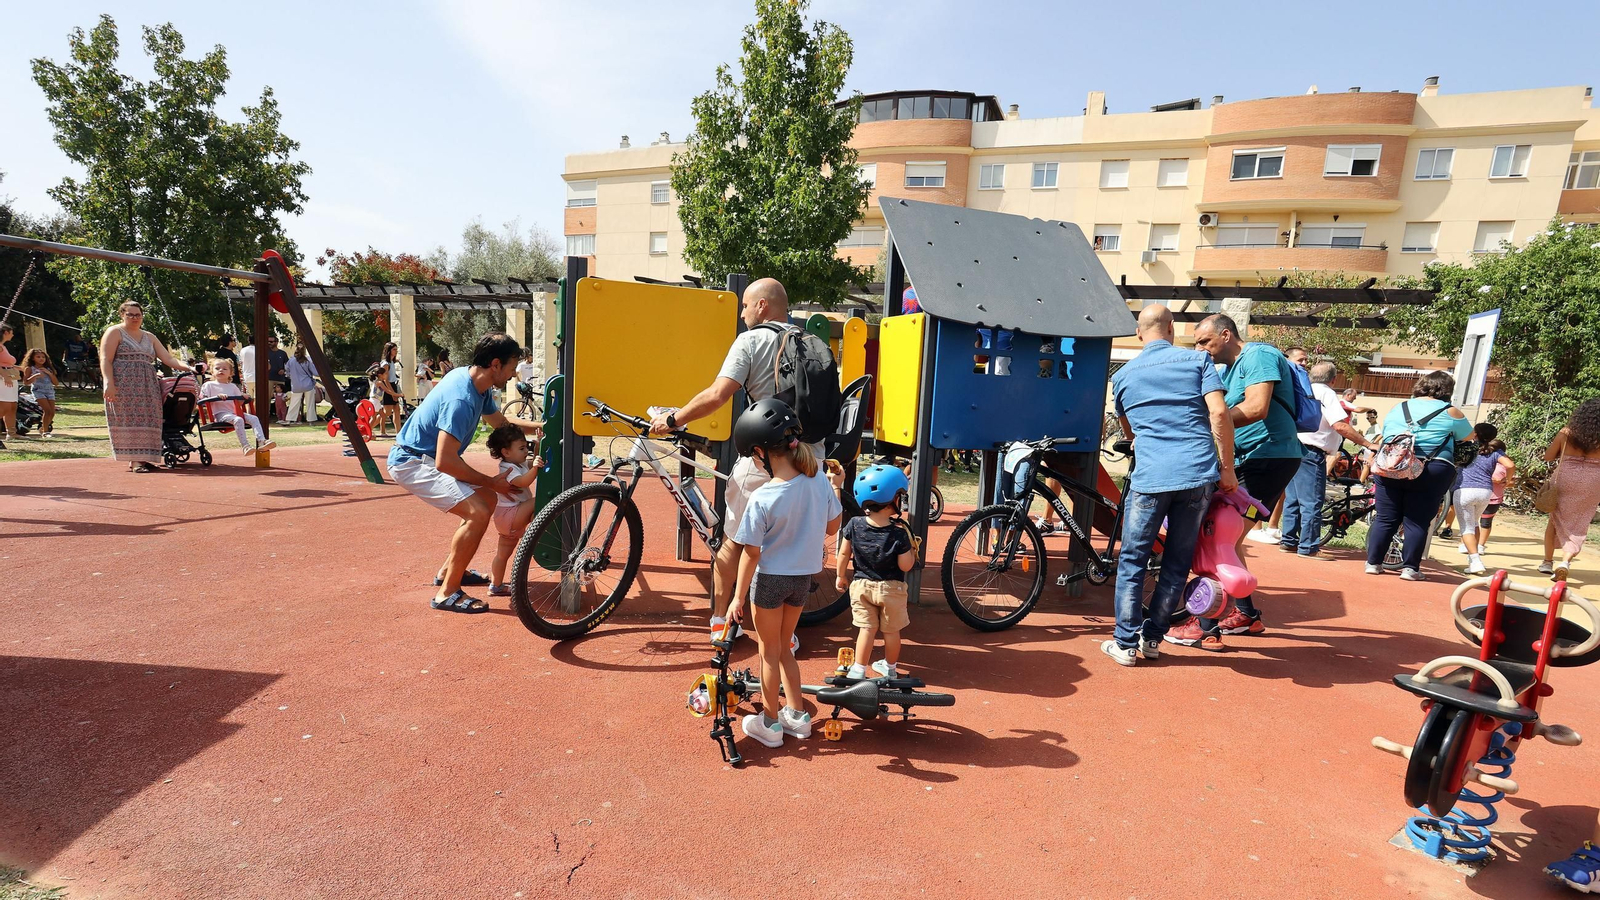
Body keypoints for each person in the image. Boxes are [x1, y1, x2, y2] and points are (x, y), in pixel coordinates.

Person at [647, 278, 826, 647]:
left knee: (733, 541)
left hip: (767, 459)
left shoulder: (752, 340)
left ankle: (721, 621)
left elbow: (718, 394)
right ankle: (784, 634)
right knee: (786, 544)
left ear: (762, 305)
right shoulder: (810, 340)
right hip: (811, 457)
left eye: (745, 305)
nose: (742, 313)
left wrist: (673, 419)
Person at [1105, 305, 1236, 657]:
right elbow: (1219, 412)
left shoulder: (1123, 376)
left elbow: (1130, 431)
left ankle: (1125, 644)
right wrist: (1227, 469)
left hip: (1151, 476)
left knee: (1133, 560)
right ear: (1171, 327)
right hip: (1196, 474)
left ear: (1139, 333)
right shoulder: (1198, 361)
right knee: (1177, 561)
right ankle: (1152, 639)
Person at [387, 332, 540, 613]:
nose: (513, 375)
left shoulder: (475, 383)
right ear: (495, 364)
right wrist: (492, 482)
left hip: (426, 458)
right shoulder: (462, 400)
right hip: (413, 462)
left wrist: (542, 426)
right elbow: (445, 462)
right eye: (511, 367)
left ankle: (449, 570)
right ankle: (447, 593)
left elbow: (501, 423)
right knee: (478, 511)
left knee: (488, 500)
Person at [725, 399, 842, 749]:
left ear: (760, 452)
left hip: (770, 581)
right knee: (786, 649)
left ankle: (770, 723)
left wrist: (737, 597)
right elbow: (833, 527)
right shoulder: (817, 479)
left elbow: (751, 553)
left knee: (768, 652)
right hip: (802, 581)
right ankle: (799, 717)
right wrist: (836, 486)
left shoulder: (763, 496)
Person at [1182, 314, 1303, 640]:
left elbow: (1256, 407)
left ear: (1226, 334)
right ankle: (1246, 615)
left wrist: (1210, 422)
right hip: (1254, 460)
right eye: (1196, 343)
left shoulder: (1258, 355)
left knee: (1216, 538)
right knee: (1229, 540)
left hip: (1268, 459)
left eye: (1204, 341)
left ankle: (1204, 627)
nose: (1199, 349)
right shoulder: (1229, 370)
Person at [1363, 371, 1472, 581]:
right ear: (1447, 390)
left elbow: (1388, 432)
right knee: (1417, 520)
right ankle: (1410, 569)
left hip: (1391, 465)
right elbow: (1468, 436)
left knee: (1385, 517)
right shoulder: (1450, 411)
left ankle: (1373, 563)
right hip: (1430, 468)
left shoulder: (1399, 407)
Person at [1279, 361, 1376, 558]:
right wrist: (1367, 443)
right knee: (1312, 501)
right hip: (1311, 451)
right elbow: (1339, 425)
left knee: (1293, 499)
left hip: (1293, 448)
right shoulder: (1327, 393)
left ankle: (1289, 541)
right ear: (1333, 379)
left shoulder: (1301, 389)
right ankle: (1308, 547)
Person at [835, 464, 917, 679]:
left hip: (861, 586)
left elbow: (843, 553)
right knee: (891, 631)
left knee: (866, 629)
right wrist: (911, 548)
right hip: (892, 589)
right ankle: (890, 668)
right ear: (892, 500)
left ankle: (859, 669)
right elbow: (906, 566)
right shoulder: (899, 534)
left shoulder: (854, 524)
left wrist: (840, 575)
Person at [99, 300, 196, 472]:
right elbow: (106, 359)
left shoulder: (149, 336)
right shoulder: (114, 332)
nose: (134, 318)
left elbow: (168, 359)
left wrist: (189, 367)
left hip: (148, 384)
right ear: (122, 315)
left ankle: (143, 458)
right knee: (130, 419)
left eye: (138, 315)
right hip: (123, 383)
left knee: (150, 418)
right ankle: (135, 460)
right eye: (130, 314)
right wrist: (108, 383)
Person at [1540, 398, 1600, 581]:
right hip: (1593, 481)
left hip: (1565, 478)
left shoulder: (1566, 432)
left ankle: (1547, 562)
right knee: (1580, 522)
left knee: (1554, 520)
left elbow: (1548, 457)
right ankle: (1565, 562)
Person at [483, 423, 545, 598]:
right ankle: (538, 531)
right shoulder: (507, 468)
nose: (526, 451)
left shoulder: (519, 462)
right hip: (511, 514)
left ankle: (495, 586)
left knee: (502, 555)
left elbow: (533, 461)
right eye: (522, 448)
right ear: (506, 452)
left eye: (526, 447)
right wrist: (535, 468)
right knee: (540, 501)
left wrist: (539, 445)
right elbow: (524, 481)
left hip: (507, 518)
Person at [1452, 423, 1505, 575]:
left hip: (1464, 490)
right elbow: (1510, 464)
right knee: (1474, 523)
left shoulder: (1467, 447)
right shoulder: (1496, 452)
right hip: (1485, 492)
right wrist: (1507, 480)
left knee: (1466, 528)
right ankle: (1472, 560)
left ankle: (1475, 561)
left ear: (1475, 434)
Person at [199, 360, 276, 456]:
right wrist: (217, 396)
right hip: (220, 414)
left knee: (254, 418)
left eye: (225, 369)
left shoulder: (233, 386)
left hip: (234, 413)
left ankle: (262, 441)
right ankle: (245, 446)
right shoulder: (209, 385)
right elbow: (203, 400)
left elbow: (239, 403)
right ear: (212, 371)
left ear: (231, 373)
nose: (221, 370)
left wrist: (243, 397)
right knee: (238, 420)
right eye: (217, 368)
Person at [1474, 439, 1515, 554]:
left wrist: (1504, 482)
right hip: (1478, 494)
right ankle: (1468, 543)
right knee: (1471, 520)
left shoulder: (1505, 465)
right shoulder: (1481, 460)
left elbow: (1512, 482)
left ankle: (1480, 546)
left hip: (1494, 498)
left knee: (1486, 522)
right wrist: (1491, 480)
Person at [23, 348, 60, 437]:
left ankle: (43, 428)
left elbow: (56, 383)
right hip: (38, 391)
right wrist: (35, 376)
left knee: (52, 412)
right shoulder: (30, 368)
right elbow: (26, 382)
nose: (41, 359)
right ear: (33, 358)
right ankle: (45, 432)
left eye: (43, 357)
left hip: (49, 391)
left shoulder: (48, 368)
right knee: (47, 410)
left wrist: (49, 373)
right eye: (38, 357)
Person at [371, 342, 403, 436]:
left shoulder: (391, 362)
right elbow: (386, 380)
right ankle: (369, 428)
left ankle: (399, 433)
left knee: (397, 410)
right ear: (389, 351)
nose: (396, 351)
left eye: (396, 349)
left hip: (393, 385)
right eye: (394, 349)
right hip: (388, 386)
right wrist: (393, 394)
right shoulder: (385, 363)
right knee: (386, 413)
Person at [283, 344, 320, 424]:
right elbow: (316, 373)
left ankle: (289, 419)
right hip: (308, 384)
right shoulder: (307, 361)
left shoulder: (291, 361)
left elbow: (287, 371)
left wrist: (291, 376)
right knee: (310, 403)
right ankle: (310, 421)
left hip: (296, 385)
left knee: (294, 403)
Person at [0, 324, 20, 442]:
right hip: (3, 378)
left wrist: (20, 368)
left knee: (12, 406)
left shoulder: (3, 346)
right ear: (6, 332)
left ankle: (11, 433)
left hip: (11, 376)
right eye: (11, 332)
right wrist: (5, 376)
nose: (13, 335)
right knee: (5, 407)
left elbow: (6, 363)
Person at [265, 335, 290, 421]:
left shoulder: (282, 353)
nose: (269, 343)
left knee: (282, 398)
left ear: (276, 342)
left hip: (280, 379)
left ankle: (282, 416)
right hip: (269, 378)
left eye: (271, 342)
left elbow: (287, 365)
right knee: (267, 397)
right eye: (268, 342)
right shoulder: (266, 353)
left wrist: (284, 370)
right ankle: (267, 415)